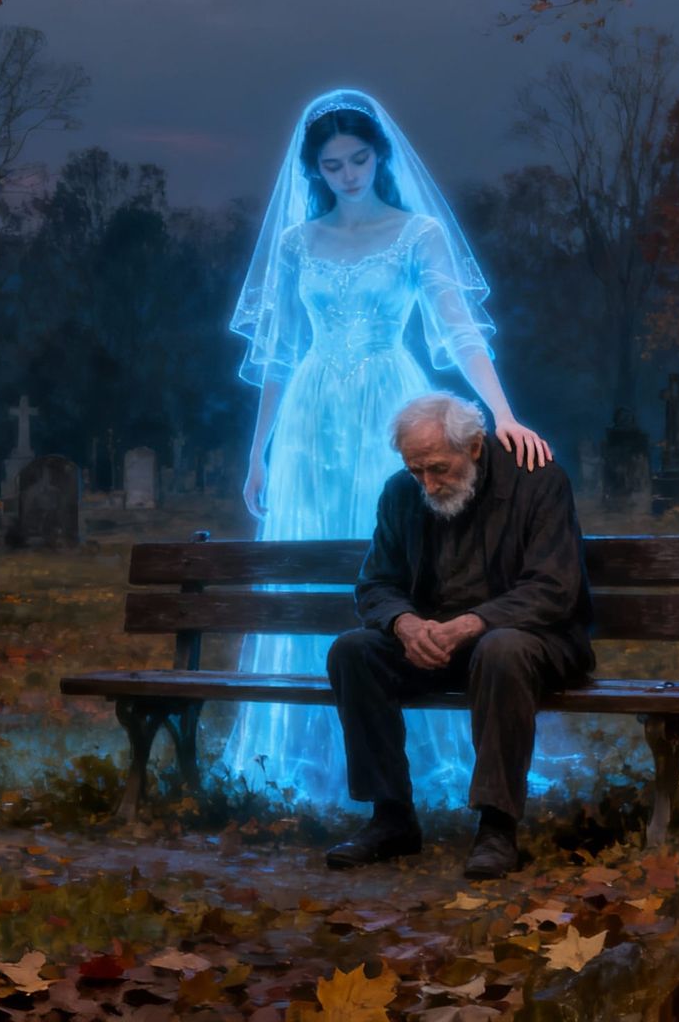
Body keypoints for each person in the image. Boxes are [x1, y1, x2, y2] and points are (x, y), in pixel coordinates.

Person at [225, 88, 555, 807]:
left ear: (379, 157)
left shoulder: (417, 232)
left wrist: (501, 414)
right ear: (316, 170)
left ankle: (429, 748)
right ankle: (309, 759)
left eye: (359, 159)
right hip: (312, 417)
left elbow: (460, 328)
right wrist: (260, 451)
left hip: (390, 403)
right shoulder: (296, 243)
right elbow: (279, 356)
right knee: (313, 561)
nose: (347, 174)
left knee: (401, 555)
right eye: (333, 164)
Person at [324, 391, 594, 877]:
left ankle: (497, 826)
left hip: (530, 638)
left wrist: (474, 623)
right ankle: (391, 818)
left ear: (472, 447)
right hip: (438, 642)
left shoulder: (538, 481)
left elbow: (554, 588)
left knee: (501, 649)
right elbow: (375, 583)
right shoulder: (401, 493)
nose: (427, 483)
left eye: (438, 469)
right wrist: (404, 624)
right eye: (416, 470)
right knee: (354, 651)